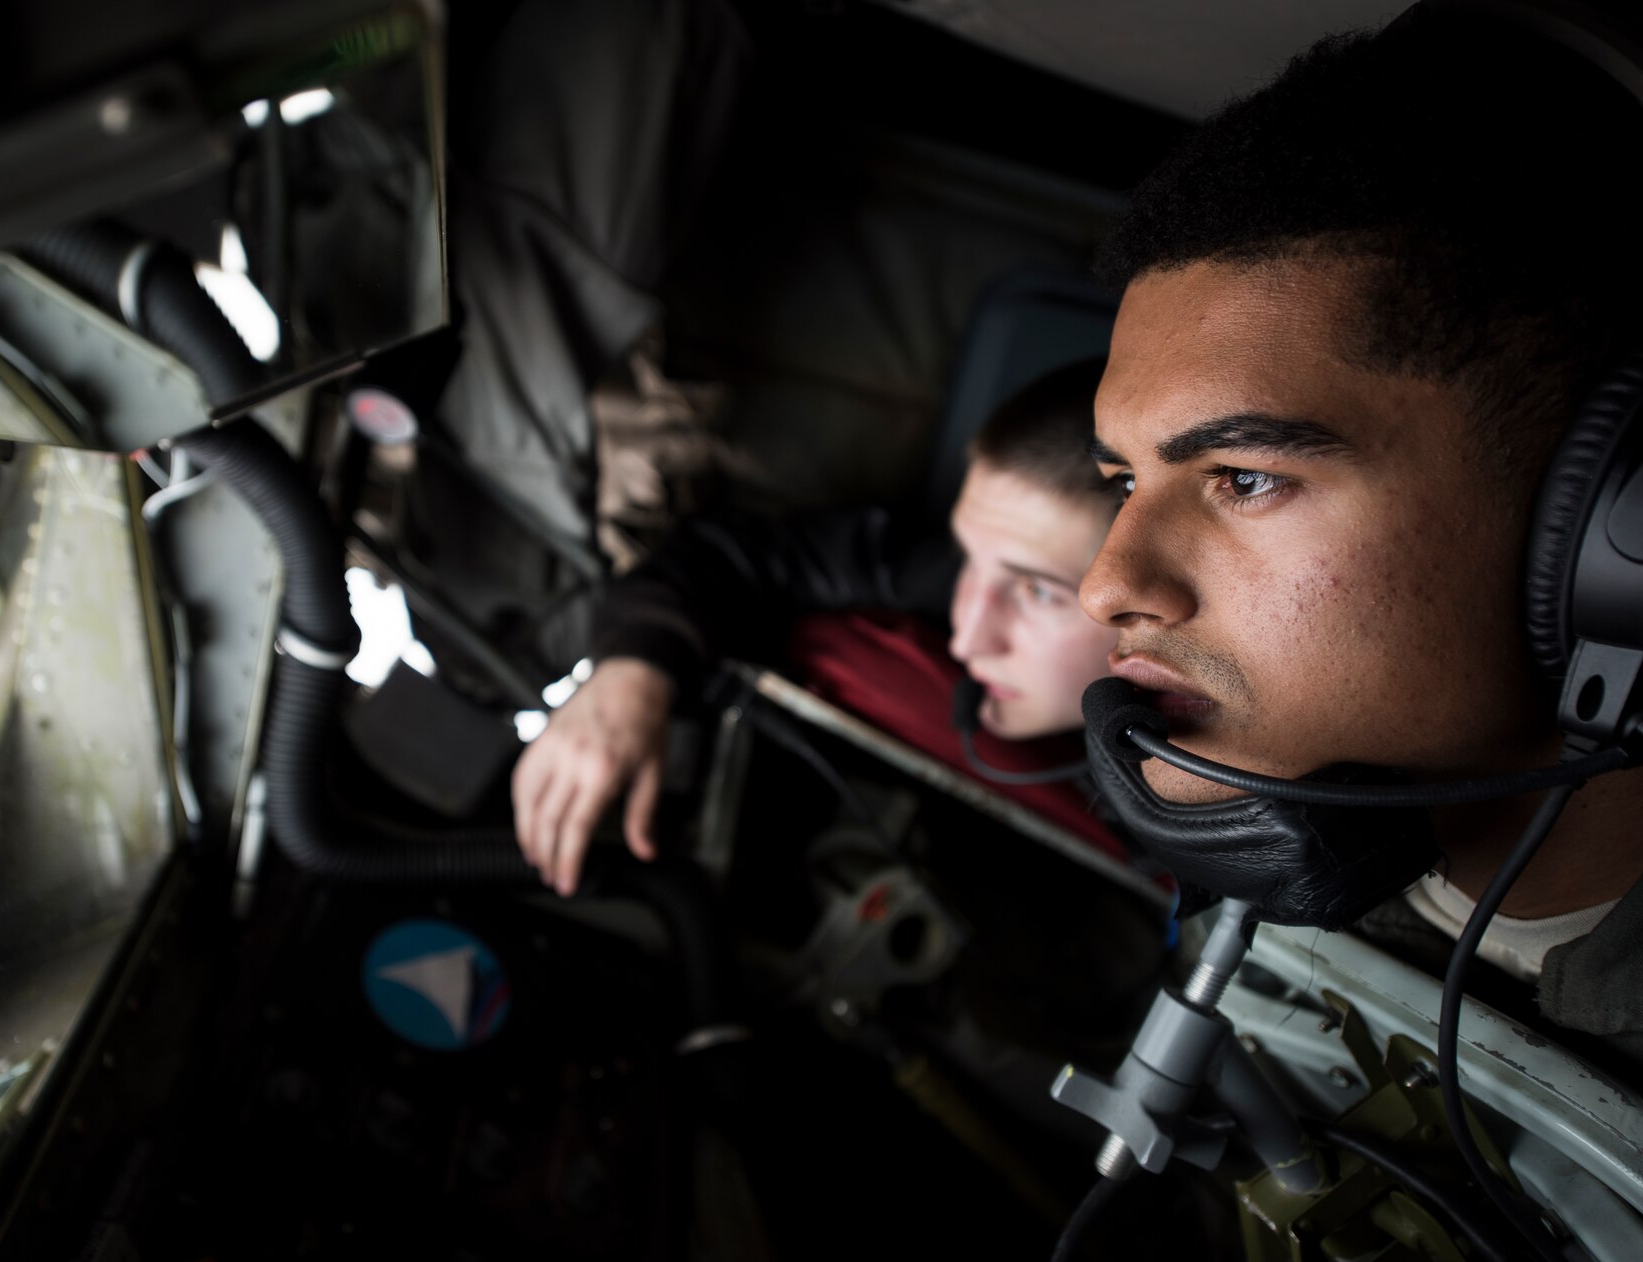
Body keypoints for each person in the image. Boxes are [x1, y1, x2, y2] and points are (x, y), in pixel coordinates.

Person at [1078, 11, 1643, 1070]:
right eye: (1121, 480)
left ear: (1610, 518)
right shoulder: (1276, 903)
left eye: (1243, 477)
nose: (1104, 585)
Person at [510, 359, 1122, 896]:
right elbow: (725, 558)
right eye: (968, 562)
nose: (968, 638)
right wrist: (631, 674)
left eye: (1039, 592)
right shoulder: (973, 571)